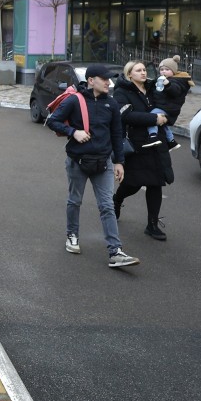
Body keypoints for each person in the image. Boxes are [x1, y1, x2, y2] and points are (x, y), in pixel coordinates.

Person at [47, 65, 139, 268]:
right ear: (91, 80)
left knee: (107, 206)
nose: (109, 82)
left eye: (109, 79)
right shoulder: (75, 100)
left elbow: (117, 134)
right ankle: (72, 235)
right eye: (104, 79)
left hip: (103, 162)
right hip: (77, 162)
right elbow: (53, 121)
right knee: (75, 201)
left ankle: (115, 251)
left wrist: (119, 162)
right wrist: (73, 132)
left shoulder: (112, 104)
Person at [113, 61, 174, 241]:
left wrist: (165, 116)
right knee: (134, 183)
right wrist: (154, 119)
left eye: (144, 70)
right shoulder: (121, 92)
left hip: (156, 143)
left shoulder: (154, 88)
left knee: (156, 183)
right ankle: (117, 199)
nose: (143, 73)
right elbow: (126, 116)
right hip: (137, 144)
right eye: (138, 70)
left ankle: (152, 224)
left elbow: (168, 105)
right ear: (129, 74)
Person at [149, 55, 193, 150]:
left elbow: (176, 91)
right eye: (161, 69)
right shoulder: (161, 79)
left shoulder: (177, 81)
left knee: (152, 117)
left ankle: (152, 136)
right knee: (163, 125)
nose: (163, 71)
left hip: (168, 108)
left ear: (173, 71)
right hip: (165, 107)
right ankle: (172, 141)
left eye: (167, 69)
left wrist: (168, 84)